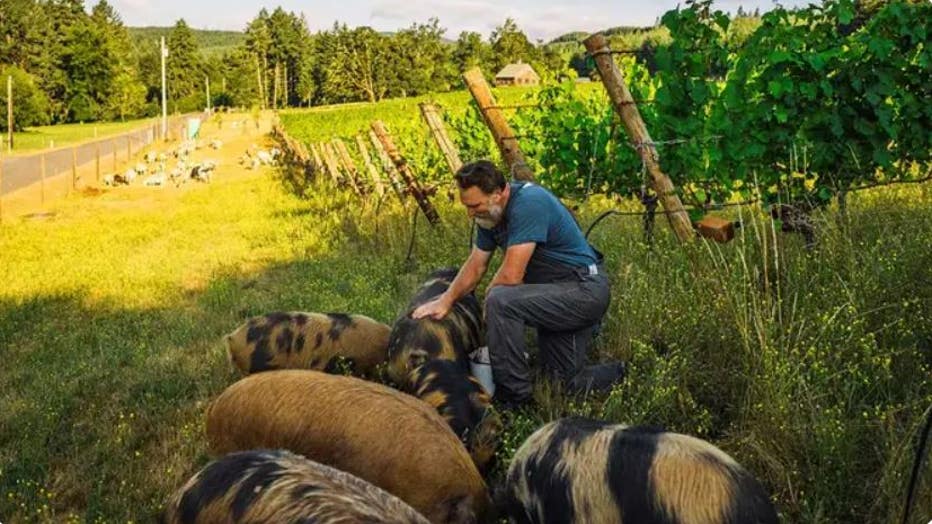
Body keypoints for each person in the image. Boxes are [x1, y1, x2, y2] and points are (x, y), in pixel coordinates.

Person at [412, 160, 625, 408]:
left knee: (500, 300)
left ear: (499, 193)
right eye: (466, 206)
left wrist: (489, 310)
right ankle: (622, 373)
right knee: (561, 383)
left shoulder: (529, 204)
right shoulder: (489, 217)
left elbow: (511, 276)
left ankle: (514, 397)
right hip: (553, 293)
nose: (470, 213)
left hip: (583, 290)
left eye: (475, 205)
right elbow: (476, 264)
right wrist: (445, 300)